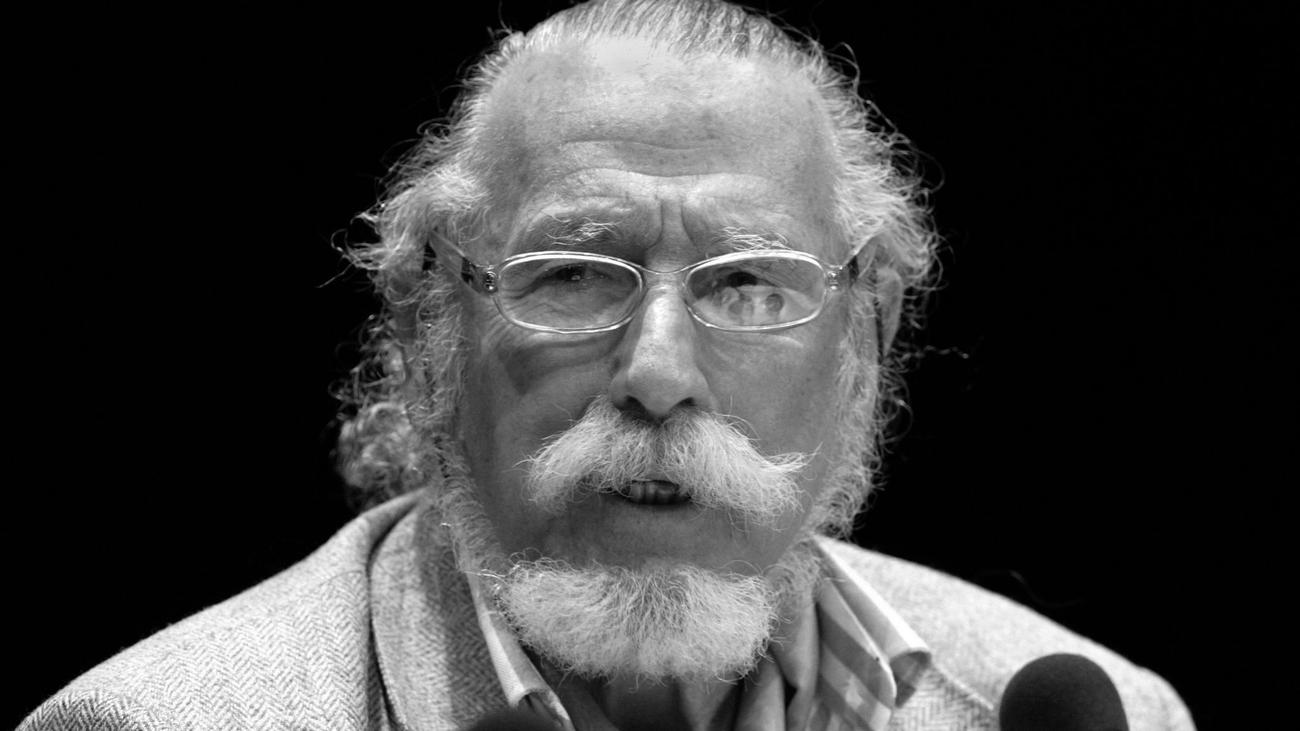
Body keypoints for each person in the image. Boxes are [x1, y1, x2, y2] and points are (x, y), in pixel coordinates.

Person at [22, 1, 1194, 729]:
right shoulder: (157, 719)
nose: (658, 371)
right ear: (431, 333)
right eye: (575, 273)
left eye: (749, 283)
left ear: (864, 341)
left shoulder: (1098, 710)